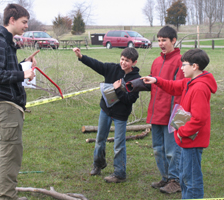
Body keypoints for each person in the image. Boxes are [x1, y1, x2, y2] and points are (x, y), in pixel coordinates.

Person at [141, 48, 217, 199]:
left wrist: (181, 132)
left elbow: (199, 119)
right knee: (184, 176)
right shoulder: (190, 81)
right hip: (186, 140)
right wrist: (157, 80)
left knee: (192, 179)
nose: (181, 68)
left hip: (192, 140)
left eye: (184, 65)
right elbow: (174, 86)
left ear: (194, 66)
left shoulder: (200, 87)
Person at [0, 4, 39, 200]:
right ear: (12, 20)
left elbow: (3, 68)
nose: (26, 26)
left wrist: (23, 63)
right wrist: (22, 73)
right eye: (24, 22)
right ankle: (7, 197)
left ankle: (0, 193)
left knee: (1, 151)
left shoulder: (5, 42)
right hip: (5, 105)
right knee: (10, 153)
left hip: (6, 104)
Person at [73, 47, 149, 183]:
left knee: (119, 144)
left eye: (127, 61)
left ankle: (120, 173)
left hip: (121, 115)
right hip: (106, 111)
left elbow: (129, 100)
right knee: (100, 140)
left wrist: (117, 90)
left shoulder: (136, 80)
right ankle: (98, 164)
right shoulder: (112, 69)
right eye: (122, 59)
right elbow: (96, 64)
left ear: (134, 62)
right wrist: (81, 57)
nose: (123, 63)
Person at [126, 26, 184, 193]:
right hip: (156, 111)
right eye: (158, 40)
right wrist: (134, 85)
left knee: (173, 150)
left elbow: (181, 88)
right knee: (159, 149)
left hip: (174, 113)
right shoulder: (157, 61)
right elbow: (154, 84)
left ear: (174, 40)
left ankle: (176, 180)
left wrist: (180, 118)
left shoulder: (180, 61)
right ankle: (165, 178)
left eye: (164, 40)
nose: (161, 44)